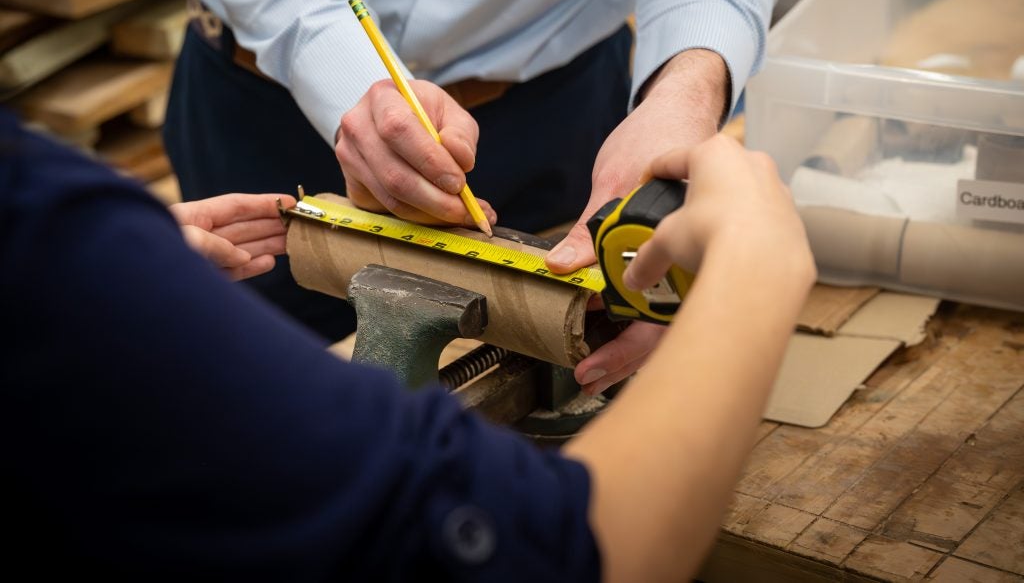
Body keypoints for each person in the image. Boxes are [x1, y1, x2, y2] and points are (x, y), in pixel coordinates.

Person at [3, 107, 814, 580]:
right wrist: (756, 268)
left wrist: (126, 269)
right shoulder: (42, 237)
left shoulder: (54, 230)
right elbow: (544, 550)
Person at [163, 0, 797, 392]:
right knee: (260, 419)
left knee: (580, 345)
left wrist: (682, 97)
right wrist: (348, 76)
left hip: (566, 107)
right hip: (271, 101)